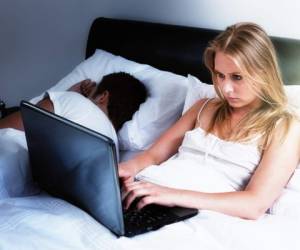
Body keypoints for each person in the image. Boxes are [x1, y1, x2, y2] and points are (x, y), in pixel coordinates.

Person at [119, 23, 300, 220]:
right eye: (220, 75)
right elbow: (153, 156)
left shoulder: (285, 127)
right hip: (148, 192)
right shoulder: (203, 107)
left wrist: (171, 195)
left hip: (190, 212)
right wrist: (123, 169)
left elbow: (254, 204)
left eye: (237, 77)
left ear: (264, 71)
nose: (225, 88)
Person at [0, 72, 148, 133]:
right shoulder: (113, 145)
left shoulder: (72, 100)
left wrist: (68, 94)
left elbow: (8, 128)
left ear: (103, 96)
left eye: (92, 91)